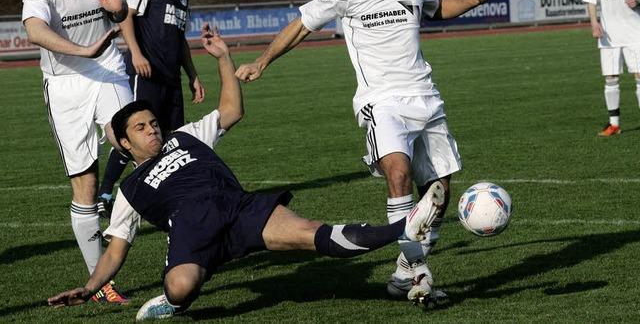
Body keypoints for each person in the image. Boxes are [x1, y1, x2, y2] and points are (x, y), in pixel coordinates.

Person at [47, 24, 445, 320]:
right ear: (125, 144)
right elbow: (117, 249)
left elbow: (232, 111)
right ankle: (170, 305)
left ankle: (404, 228)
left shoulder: (184, 137)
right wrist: (90, 287)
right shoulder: (131, 189)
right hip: (194, 237)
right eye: (141, 128)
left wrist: (223, 57)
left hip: (240, 211)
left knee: (312, 233)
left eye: (153, 123)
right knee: (180, 287)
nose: (152, 129)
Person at [235, 0, 495, 303]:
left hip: (425, 96)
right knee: (398, 172)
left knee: (439, 190)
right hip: (381, 101)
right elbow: (302, 25)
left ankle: (405, 271)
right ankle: (420, 272)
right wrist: (262, 61)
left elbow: (436, 9)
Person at [21, 0, 132, 303]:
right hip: (66, 83)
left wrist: (121, 16)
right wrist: (78, 51)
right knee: (84, 183)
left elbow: (119, 13)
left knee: (139, 144)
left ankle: (185, 241)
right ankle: (101, 282)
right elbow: (33, 29)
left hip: (106, 67)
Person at [97, 0, 205, 218]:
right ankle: (105, 192)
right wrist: (136, 53)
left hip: (171, 79)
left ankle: (168, 195)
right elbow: (127, 14)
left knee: (171, 139)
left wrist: (192, 74)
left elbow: (179, 38)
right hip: (145, 74)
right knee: (137, 136)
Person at [583, 0, 640, 137]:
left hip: (636, 33)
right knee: (611, 78)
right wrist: (593, 22)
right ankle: (614, 124)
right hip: (608, 34)